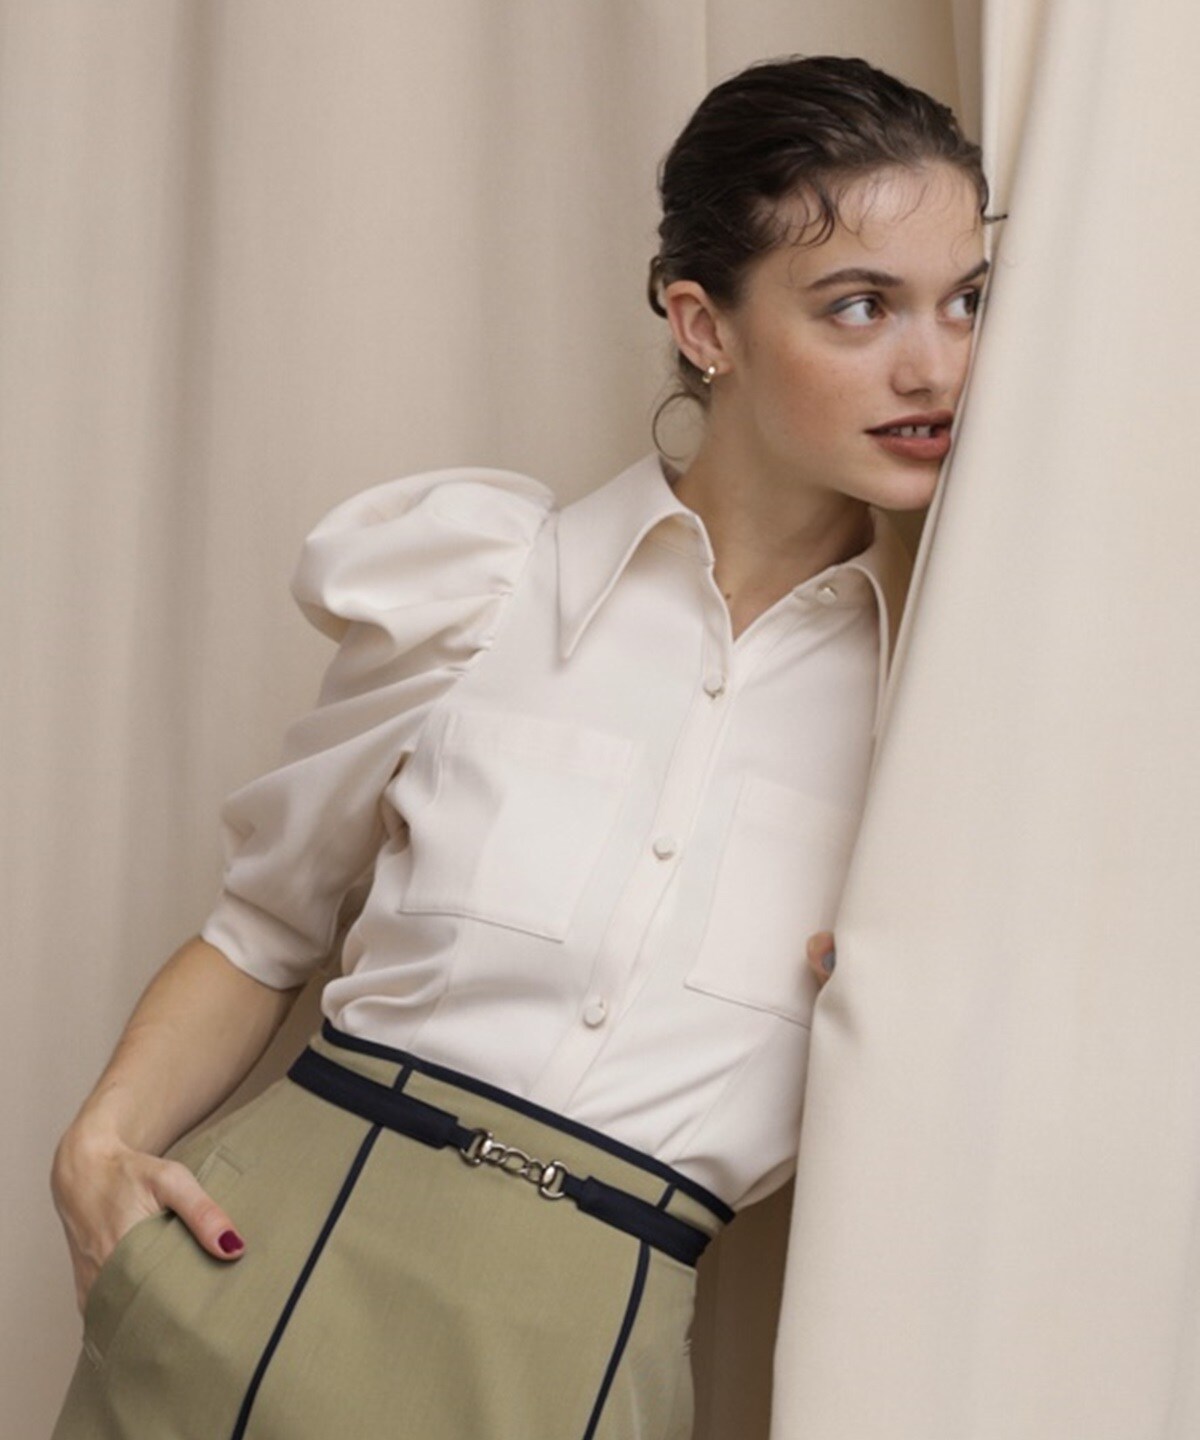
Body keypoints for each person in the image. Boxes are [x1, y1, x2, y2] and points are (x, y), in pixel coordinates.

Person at [50, 54, 988, 1440]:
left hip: (588, 1355)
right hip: (256, 1294)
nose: (935, 365)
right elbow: (259, 933)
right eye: (861, 305)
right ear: (705, 325)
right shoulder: (484, 589)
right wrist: (97, 1151)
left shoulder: (943, 716)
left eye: (966, 301)